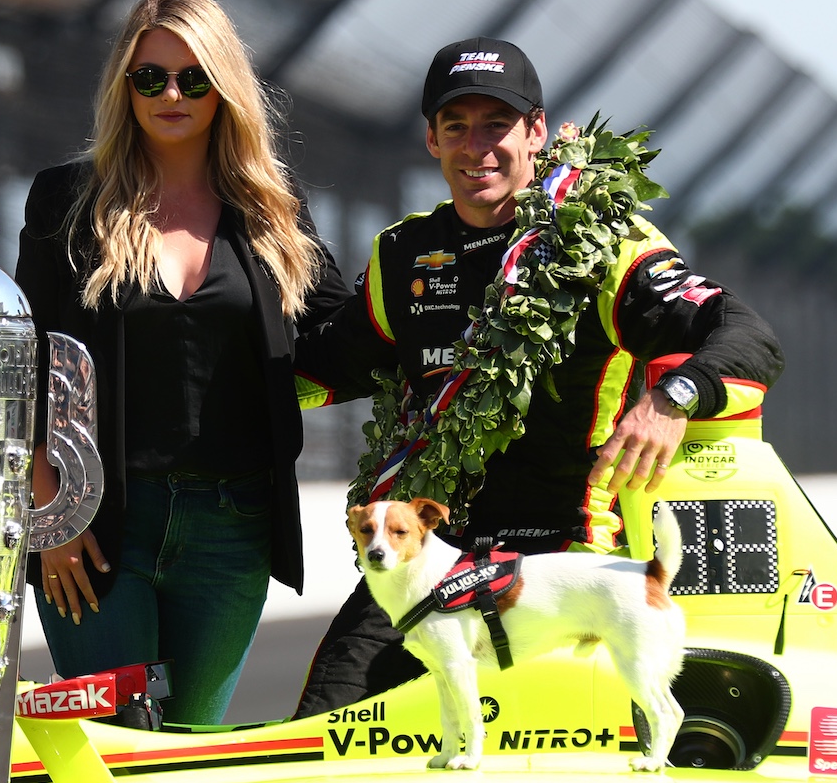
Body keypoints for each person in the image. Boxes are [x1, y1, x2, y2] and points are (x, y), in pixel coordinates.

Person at [291, 36, 784, 717]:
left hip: (563, 565)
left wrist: (670, 399)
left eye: (497, 124)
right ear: (431, 140)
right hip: (433, 558)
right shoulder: (402, 254)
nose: (478, 147)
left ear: (537, 132)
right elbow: (328, 366)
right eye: (456, 126)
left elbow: (746, 335)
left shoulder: (600, 244)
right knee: (323, 730)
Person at [14, 0, 351, 725]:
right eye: (151, 77)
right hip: (98, 526)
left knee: (190, 751)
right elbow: (28, 361)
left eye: (193, 77)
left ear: (224, 86)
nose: (172, 94)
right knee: (126, 742)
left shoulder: (272, 206)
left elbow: (347, 334)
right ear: (123, 86)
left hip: (232, 530)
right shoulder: (68, 200)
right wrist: (53, 514)